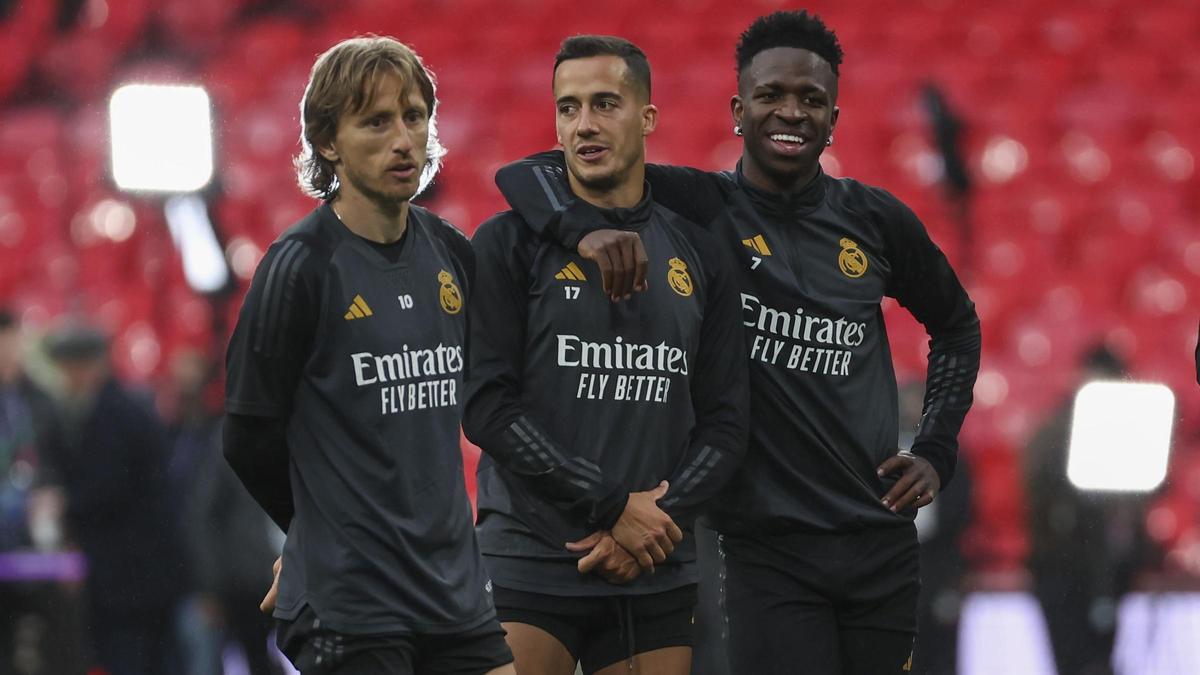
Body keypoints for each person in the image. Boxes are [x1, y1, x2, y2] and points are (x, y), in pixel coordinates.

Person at [494, 11, 981, 674]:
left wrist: (935, 447)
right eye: (771, 95)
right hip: (765, 548)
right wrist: (579, 229)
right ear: (738, 109)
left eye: (812, 100)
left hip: (881, 542)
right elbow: (529, 173)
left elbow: (956, 323)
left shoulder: (874, 219)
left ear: (833, 117)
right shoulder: (698, 205)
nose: (791, 111)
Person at [223, 35, 514, 675]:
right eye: (376, 121)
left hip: (454, 591)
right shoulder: (300, 267)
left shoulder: (450, 252)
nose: (404, 139)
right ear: (328, 142)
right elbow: (246, 435)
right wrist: (315, 531)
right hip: (351, 605)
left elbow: (503, 397)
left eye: (414, 117)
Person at [463, 35, 748, 675]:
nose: (583, 124)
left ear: (647, 117)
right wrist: (613, 505)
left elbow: (727, 424)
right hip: (530, 559)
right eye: (567, 108)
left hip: (654, 566)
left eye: (604, 104)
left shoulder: (702, 253)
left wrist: (656, 519)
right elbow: (486, 408)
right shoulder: (506, 242)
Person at [41, 322, 186, 675]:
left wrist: (63, 504)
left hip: (132, 581)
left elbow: (109, 488)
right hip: (138, 578)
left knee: (133, 659)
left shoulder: (116, 415)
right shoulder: (115, 409)